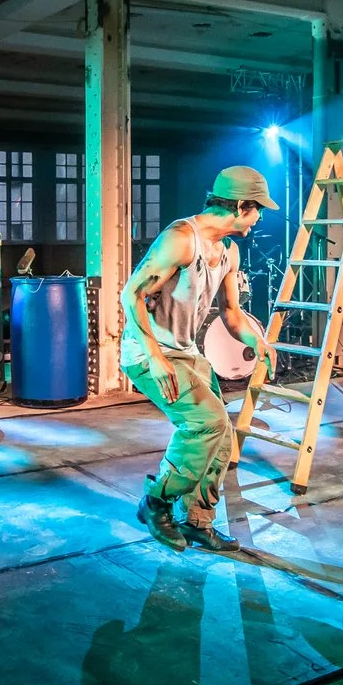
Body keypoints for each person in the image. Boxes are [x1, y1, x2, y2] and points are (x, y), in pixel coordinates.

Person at [121, 165, 275, 552]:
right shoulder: (180, 239)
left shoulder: (228, 252)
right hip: (148, 352)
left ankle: (197, 521)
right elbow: (131, 295)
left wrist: (257, 342)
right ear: (241, 206)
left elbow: (231, 313)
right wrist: (156, 356)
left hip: (187, 352)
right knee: (205, 422)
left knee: (222, 434)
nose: (259, 217)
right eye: (258, 209)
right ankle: (156, 502)